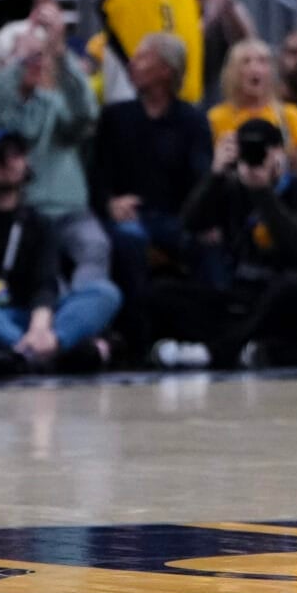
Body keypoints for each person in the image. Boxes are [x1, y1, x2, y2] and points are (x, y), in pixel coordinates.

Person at [0, 129, 122, 377]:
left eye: (17, 155)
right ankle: (50, 355)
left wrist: (41, 330)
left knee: (104, 292)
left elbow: (44, 283)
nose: (9, 162)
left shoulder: (37, 223)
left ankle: (27, 353)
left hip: (23, 319)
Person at [0, 4, 111, 290]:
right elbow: (3, 121)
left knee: (95, 246)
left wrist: (61, 53)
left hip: (70, 213)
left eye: (38, 57)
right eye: (28, 58)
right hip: (19, 215)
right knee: (45, 274)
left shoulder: (54, 103)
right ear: (3, 64)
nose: (36, 63)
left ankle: (79, 318)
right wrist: (18, 67)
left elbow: (85, 114)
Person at [156, 117, 297, 368]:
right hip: (242, 296)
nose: (255, 158)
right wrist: (215, 174)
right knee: (161, 291)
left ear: (280, 152)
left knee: (291, 288)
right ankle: (245, 347)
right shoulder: (232, 188)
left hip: (287, 296)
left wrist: (263, 191)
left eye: (262, 151)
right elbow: (190, 224)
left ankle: (214, 353)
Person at [95, 32, 214, 361]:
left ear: (166, 70)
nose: (133, 63)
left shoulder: (192, 120)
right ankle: (138, 339)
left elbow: (200, 178)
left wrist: (203, 220)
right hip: (129, 216)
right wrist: (109, 202)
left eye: (143, 57)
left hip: (177, 217)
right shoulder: (115, 117)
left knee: (208, 243)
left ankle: (207, 336)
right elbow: (97, 174)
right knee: (129, 240)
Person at [207, 38, 297, 171]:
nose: (255, 68)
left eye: (263, 61)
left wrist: (285, 157)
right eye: (246, 62)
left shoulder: (291, 116)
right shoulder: (215, 118)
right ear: (232, 72)